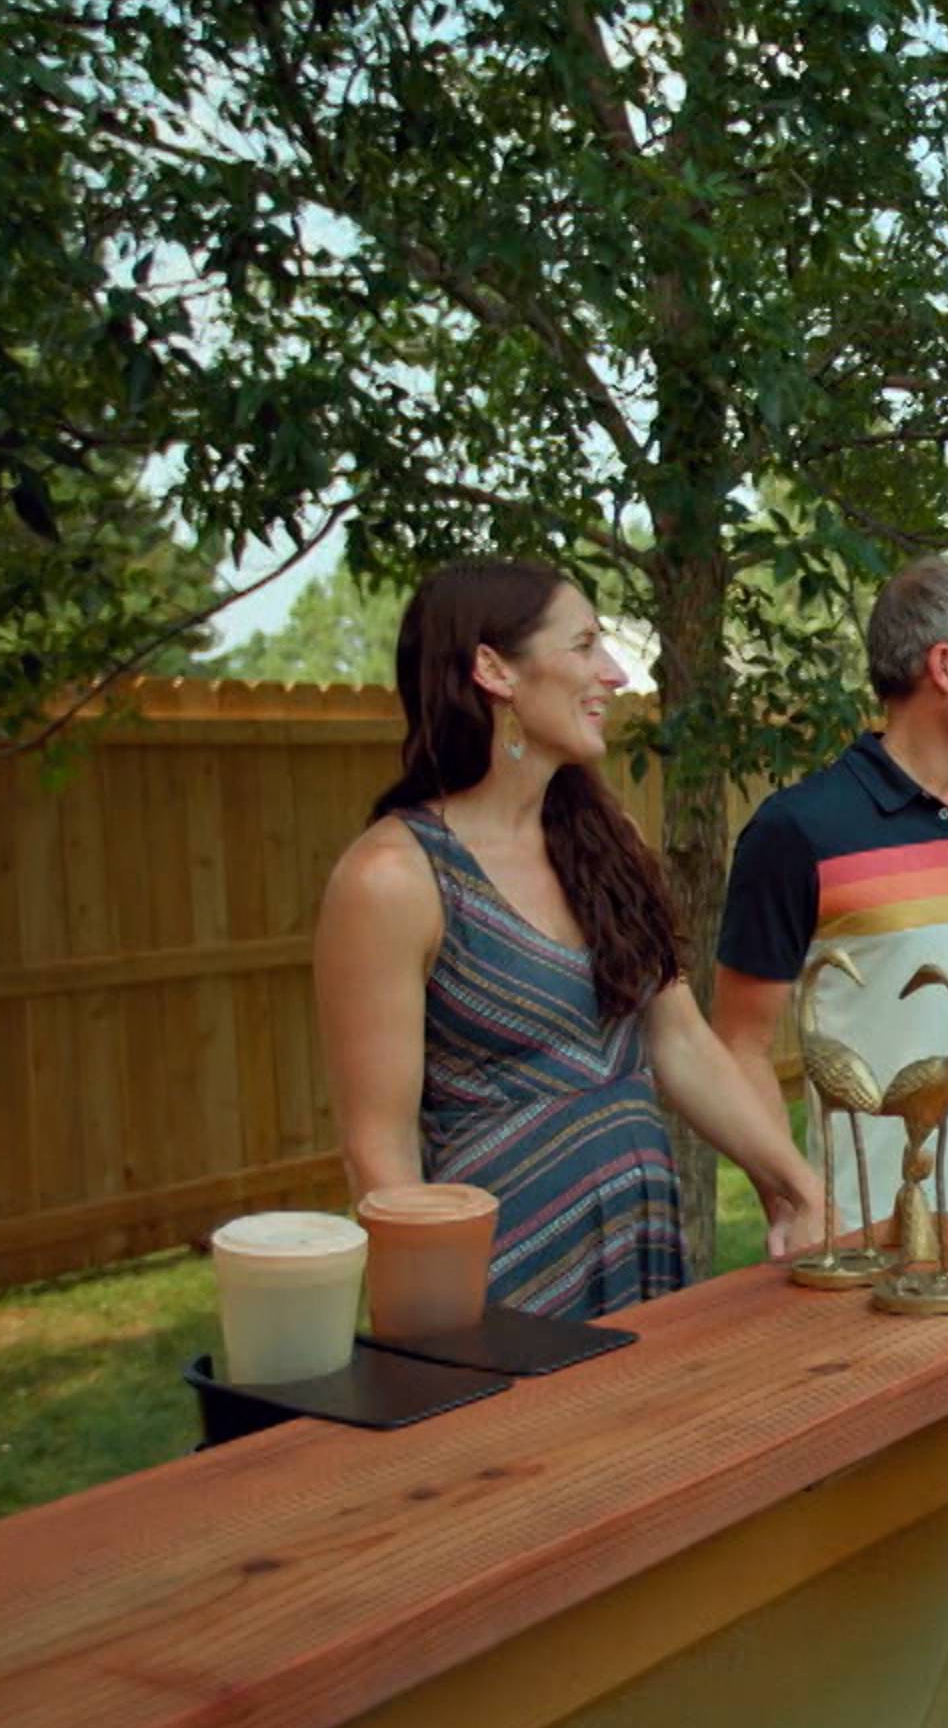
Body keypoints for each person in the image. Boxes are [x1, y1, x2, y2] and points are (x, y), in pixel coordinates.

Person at [315, 561, 826, 1315]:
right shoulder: (393, 877)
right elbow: (376, 1151)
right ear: (493, 669)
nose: (614, 673)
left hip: (641, 1249)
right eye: (585, 645)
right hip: (500, 1289)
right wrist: (437, 1334)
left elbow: (679, 1040)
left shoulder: (602, 840)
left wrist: (797, 1186)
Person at [709, 557, 948, 1249]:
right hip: (871, 1242)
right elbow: (738, 1045)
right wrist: (795, 1197)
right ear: (946, 666)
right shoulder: (798, 830)